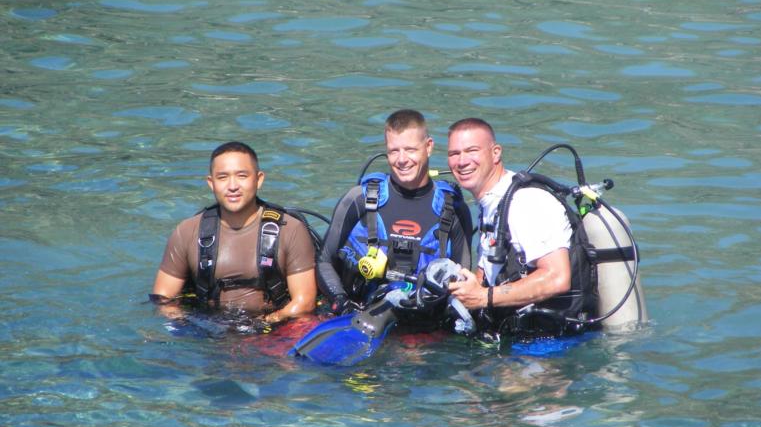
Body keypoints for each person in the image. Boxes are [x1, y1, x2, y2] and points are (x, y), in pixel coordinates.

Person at [317, 109, 473, 323]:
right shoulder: (359, 199)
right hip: (359, 316)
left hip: (424, 328)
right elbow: (325, 260)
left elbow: (463, 279)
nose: (401, 160)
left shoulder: (452, 208)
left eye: (410, 150)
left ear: (428, 147)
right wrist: (341, 302)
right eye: (393, 151)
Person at [152, 141, 317, 324]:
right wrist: (194, 327)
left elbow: (304, 303)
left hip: (273, 331)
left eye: (242, 176)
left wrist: (265, 325)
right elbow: (163, 300)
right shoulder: (187, 232)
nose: (232, 186)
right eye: (222, 177)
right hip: (210, 333)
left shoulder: (291, 230)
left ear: (259, 179)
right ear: (211, 183)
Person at [446, 118, 579, 336]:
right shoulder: (491, 202)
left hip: (551, 342)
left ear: (496, 152)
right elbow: (488, 275)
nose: (462, 161)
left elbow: (557, 277)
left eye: (472, 150)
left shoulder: (526, 201)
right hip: (515, 335)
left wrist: (482, 297)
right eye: (454, 153)